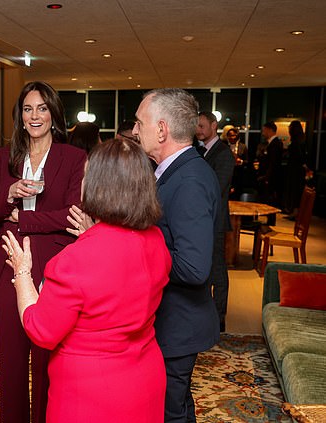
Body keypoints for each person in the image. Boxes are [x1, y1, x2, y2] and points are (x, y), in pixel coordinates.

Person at [2, 139, 171, 422]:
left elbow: (41, 330)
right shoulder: (156, 240)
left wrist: (21, 273)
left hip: (90, 396)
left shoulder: (74, 261)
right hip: (144, 381)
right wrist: (91, 238)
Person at [0, 81, 86, 423]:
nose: (34, 115)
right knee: (10, 364)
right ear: (20, 116)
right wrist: (10, 193)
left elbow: (71, 215)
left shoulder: (74, 158)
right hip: (10, 268)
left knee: (46, 362)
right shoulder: (5, 156)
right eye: (28, 109)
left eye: (42, 108)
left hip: (53, 270)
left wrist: (22, 218)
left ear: (53, 114)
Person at [132, 88, 220, 422]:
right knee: (174, 407)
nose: (136, 130)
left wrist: (136, 248)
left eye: (140, 123)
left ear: (162, 129)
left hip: (178, 325)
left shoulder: (189, 179)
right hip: (169, 321)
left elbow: (194, 266)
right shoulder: (172, 170)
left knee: (171, 413)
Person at [196, 111, 235, 332]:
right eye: (196, 126)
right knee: (205, 268)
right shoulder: (198, 150)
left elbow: (216, 189)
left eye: (202, 126)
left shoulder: (224, 154)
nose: (198, 130)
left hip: (216, 220)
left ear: (214, 125)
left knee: (218, 270)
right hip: (203, 219)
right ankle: (205, 314)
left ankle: (220, 317)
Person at [283, 120, 310, 218]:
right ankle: (295, 211)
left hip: (295, 169)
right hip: (298, 169)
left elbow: (298, 155)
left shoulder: (295, 141)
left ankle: (295, 211)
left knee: (294, 190)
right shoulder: (302, 139)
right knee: (297, 190)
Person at [256, 121, 284, 207]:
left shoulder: (275, 144)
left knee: (270, 200)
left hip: (270, 178)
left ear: (270, 130)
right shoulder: (269, 143)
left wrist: (267, 177)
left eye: (264, 130)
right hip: (267, 176)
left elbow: (273, 163)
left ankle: (271, 219)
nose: (263, 133)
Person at [227, 127, 249, 198]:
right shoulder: (224, 146)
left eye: (233, 135)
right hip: (227, 175)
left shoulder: (242, 147)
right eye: (229, 135)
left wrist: (241, 161)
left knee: (238, 196)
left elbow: (247, 161)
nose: (231, 137)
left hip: (239, 175)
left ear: (237, 136)